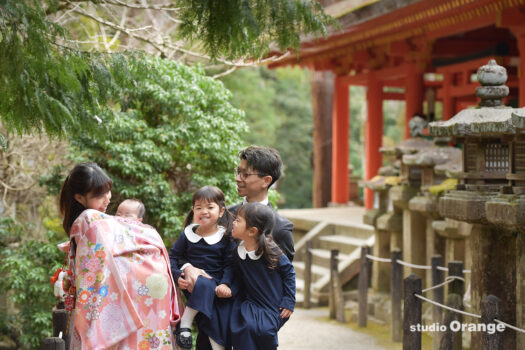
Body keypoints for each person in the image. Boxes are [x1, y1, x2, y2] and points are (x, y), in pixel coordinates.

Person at [58, 162, 181, 349]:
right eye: (99, 195)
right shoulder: (91, 219)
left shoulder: (89, 220)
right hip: (152, 287)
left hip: (137, 289)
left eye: (107, 191)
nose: (107, 198)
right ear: (79, 197)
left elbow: (91, 274)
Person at [189, 146, 296, 350]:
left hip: (254, 328)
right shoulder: (222, 216)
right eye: (237, 172)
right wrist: (189, 269)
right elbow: (196, 253)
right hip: (215, 314)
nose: (238, 178)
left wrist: (266, 325)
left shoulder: (280, 227)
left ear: (267, 181)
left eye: (245, 174)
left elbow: (283, 280)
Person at [169, 186, 236, 350]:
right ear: (193, 211)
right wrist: (178, 276)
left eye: (210, 207)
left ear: (221, 212)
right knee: (202, 282)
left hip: (217, 284)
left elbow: (230, 264)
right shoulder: (187, 234)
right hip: (192, 285)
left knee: (213, 314)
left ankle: (188, 325)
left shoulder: (226, 236)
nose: (203, 211)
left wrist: (226, 284)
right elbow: (172, 257)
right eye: (198, 207)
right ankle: (185, 324)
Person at [228, 202, 295, 350]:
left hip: (273, 305)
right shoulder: (238, 251)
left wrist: (289, 300)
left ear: (252, 231)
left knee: (264, 331)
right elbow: (236, 274)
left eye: (238, 220)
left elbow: (289, 272)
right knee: (243, 328)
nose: (233, 222)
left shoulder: (272, 251)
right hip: (251, 303)